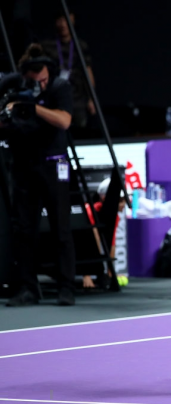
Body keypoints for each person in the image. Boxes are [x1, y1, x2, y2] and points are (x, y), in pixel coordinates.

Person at [0, 44, 76, 306]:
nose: (39, 84)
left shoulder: (59, 87)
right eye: (34, 81)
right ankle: (28, 288)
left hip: (55, 166)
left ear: (48, 73)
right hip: (23, 165)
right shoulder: (13, 83)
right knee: (24, 230)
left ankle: (66, 287)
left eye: (42, 79)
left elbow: (65, 121)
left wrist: (33, 108)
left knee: (61, 229)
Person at [41, 11, 96, 134]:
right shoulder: (47, 45)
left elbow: (88, 72)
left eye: (66, 19)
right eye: (59, 20)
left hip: (77, 99)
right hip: (55, 99)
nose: (63, 24)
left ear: (73, 19)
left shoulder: (80, 45)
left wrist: (91, 99)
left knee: (80, 132)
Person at [83, 177, 126, 288]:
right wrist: (86, 274)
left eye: (124, 200)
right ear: (103, 197)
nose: (123, 204)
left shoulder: (114, 216)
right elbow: (88, 241)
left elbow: (111, 242)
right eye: (120, 200)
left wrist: (110, 273)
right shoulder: (89, 210)